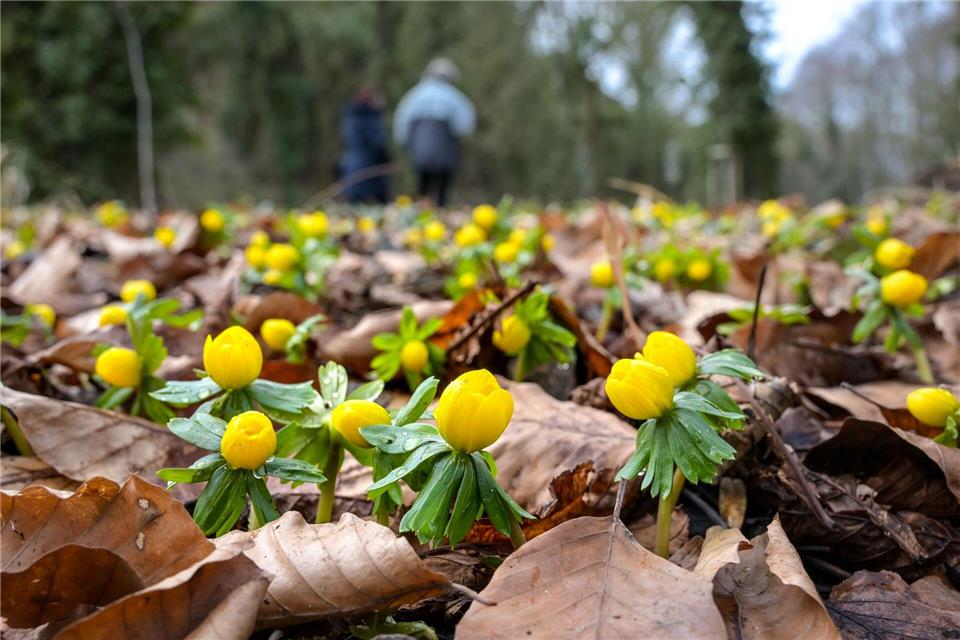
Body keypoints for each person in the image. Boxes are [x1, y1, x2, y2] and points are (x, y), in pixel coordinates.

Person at [394, 58, 475, 207]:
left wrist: (404, 141)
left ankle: (422, 208)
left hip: (420, 147)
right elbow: (465, 122)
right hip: (445, 147)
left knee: (423, 180)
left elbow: (402, 119)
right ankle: (440, 208)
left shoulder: (415, 94)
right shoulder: (453, 96)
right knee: (443, 182)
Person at [339, 85, 390, 204]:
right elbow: (378, 144)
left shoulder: (350, 117)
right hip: (370, 169)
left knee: (354, 206)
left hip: (350, 168)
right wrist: (386, 158)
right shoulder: (372, 119)